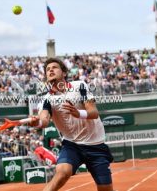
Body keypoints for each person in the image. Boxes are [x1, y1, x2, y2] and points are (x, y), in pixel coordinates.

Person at [30, 58, 114, 191]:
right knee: (62, 172)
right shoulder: (47, 99)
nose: (50, 70)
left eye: (54, 67)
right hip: (72, 145)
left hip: (96, 145)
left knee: (105, 189)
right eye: (47, 69)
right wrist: (37, 123)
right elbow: (44, 120)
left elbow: (94, 112)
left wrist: (78, 113)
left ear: (63, 73)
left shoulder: (79, 86)